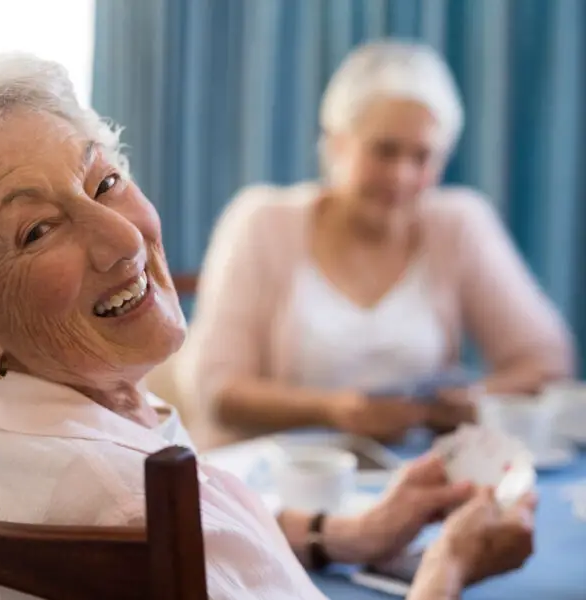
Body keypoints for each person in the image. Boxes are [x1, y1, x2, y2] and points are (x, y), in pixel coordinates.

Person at [0, 52, 535, 600]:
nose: (123, 240)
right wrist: (450, 563)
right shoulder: (124, 503)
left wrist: (345, 532)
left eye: (103, 182)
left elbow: (201, 533)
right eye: (38, 231)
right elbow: (163, 520)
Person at [178, 40, 573, 450]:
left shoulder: (459, 223)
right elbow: (215, 391)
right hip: (282, 480)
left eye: (422, 157)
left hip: (417, 475)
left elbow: (546, 361)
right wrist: (331, 410)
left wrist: (477, 400)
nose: (401, 175)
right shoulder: (260, 221)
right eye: (384, 151)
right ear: (337, 145)